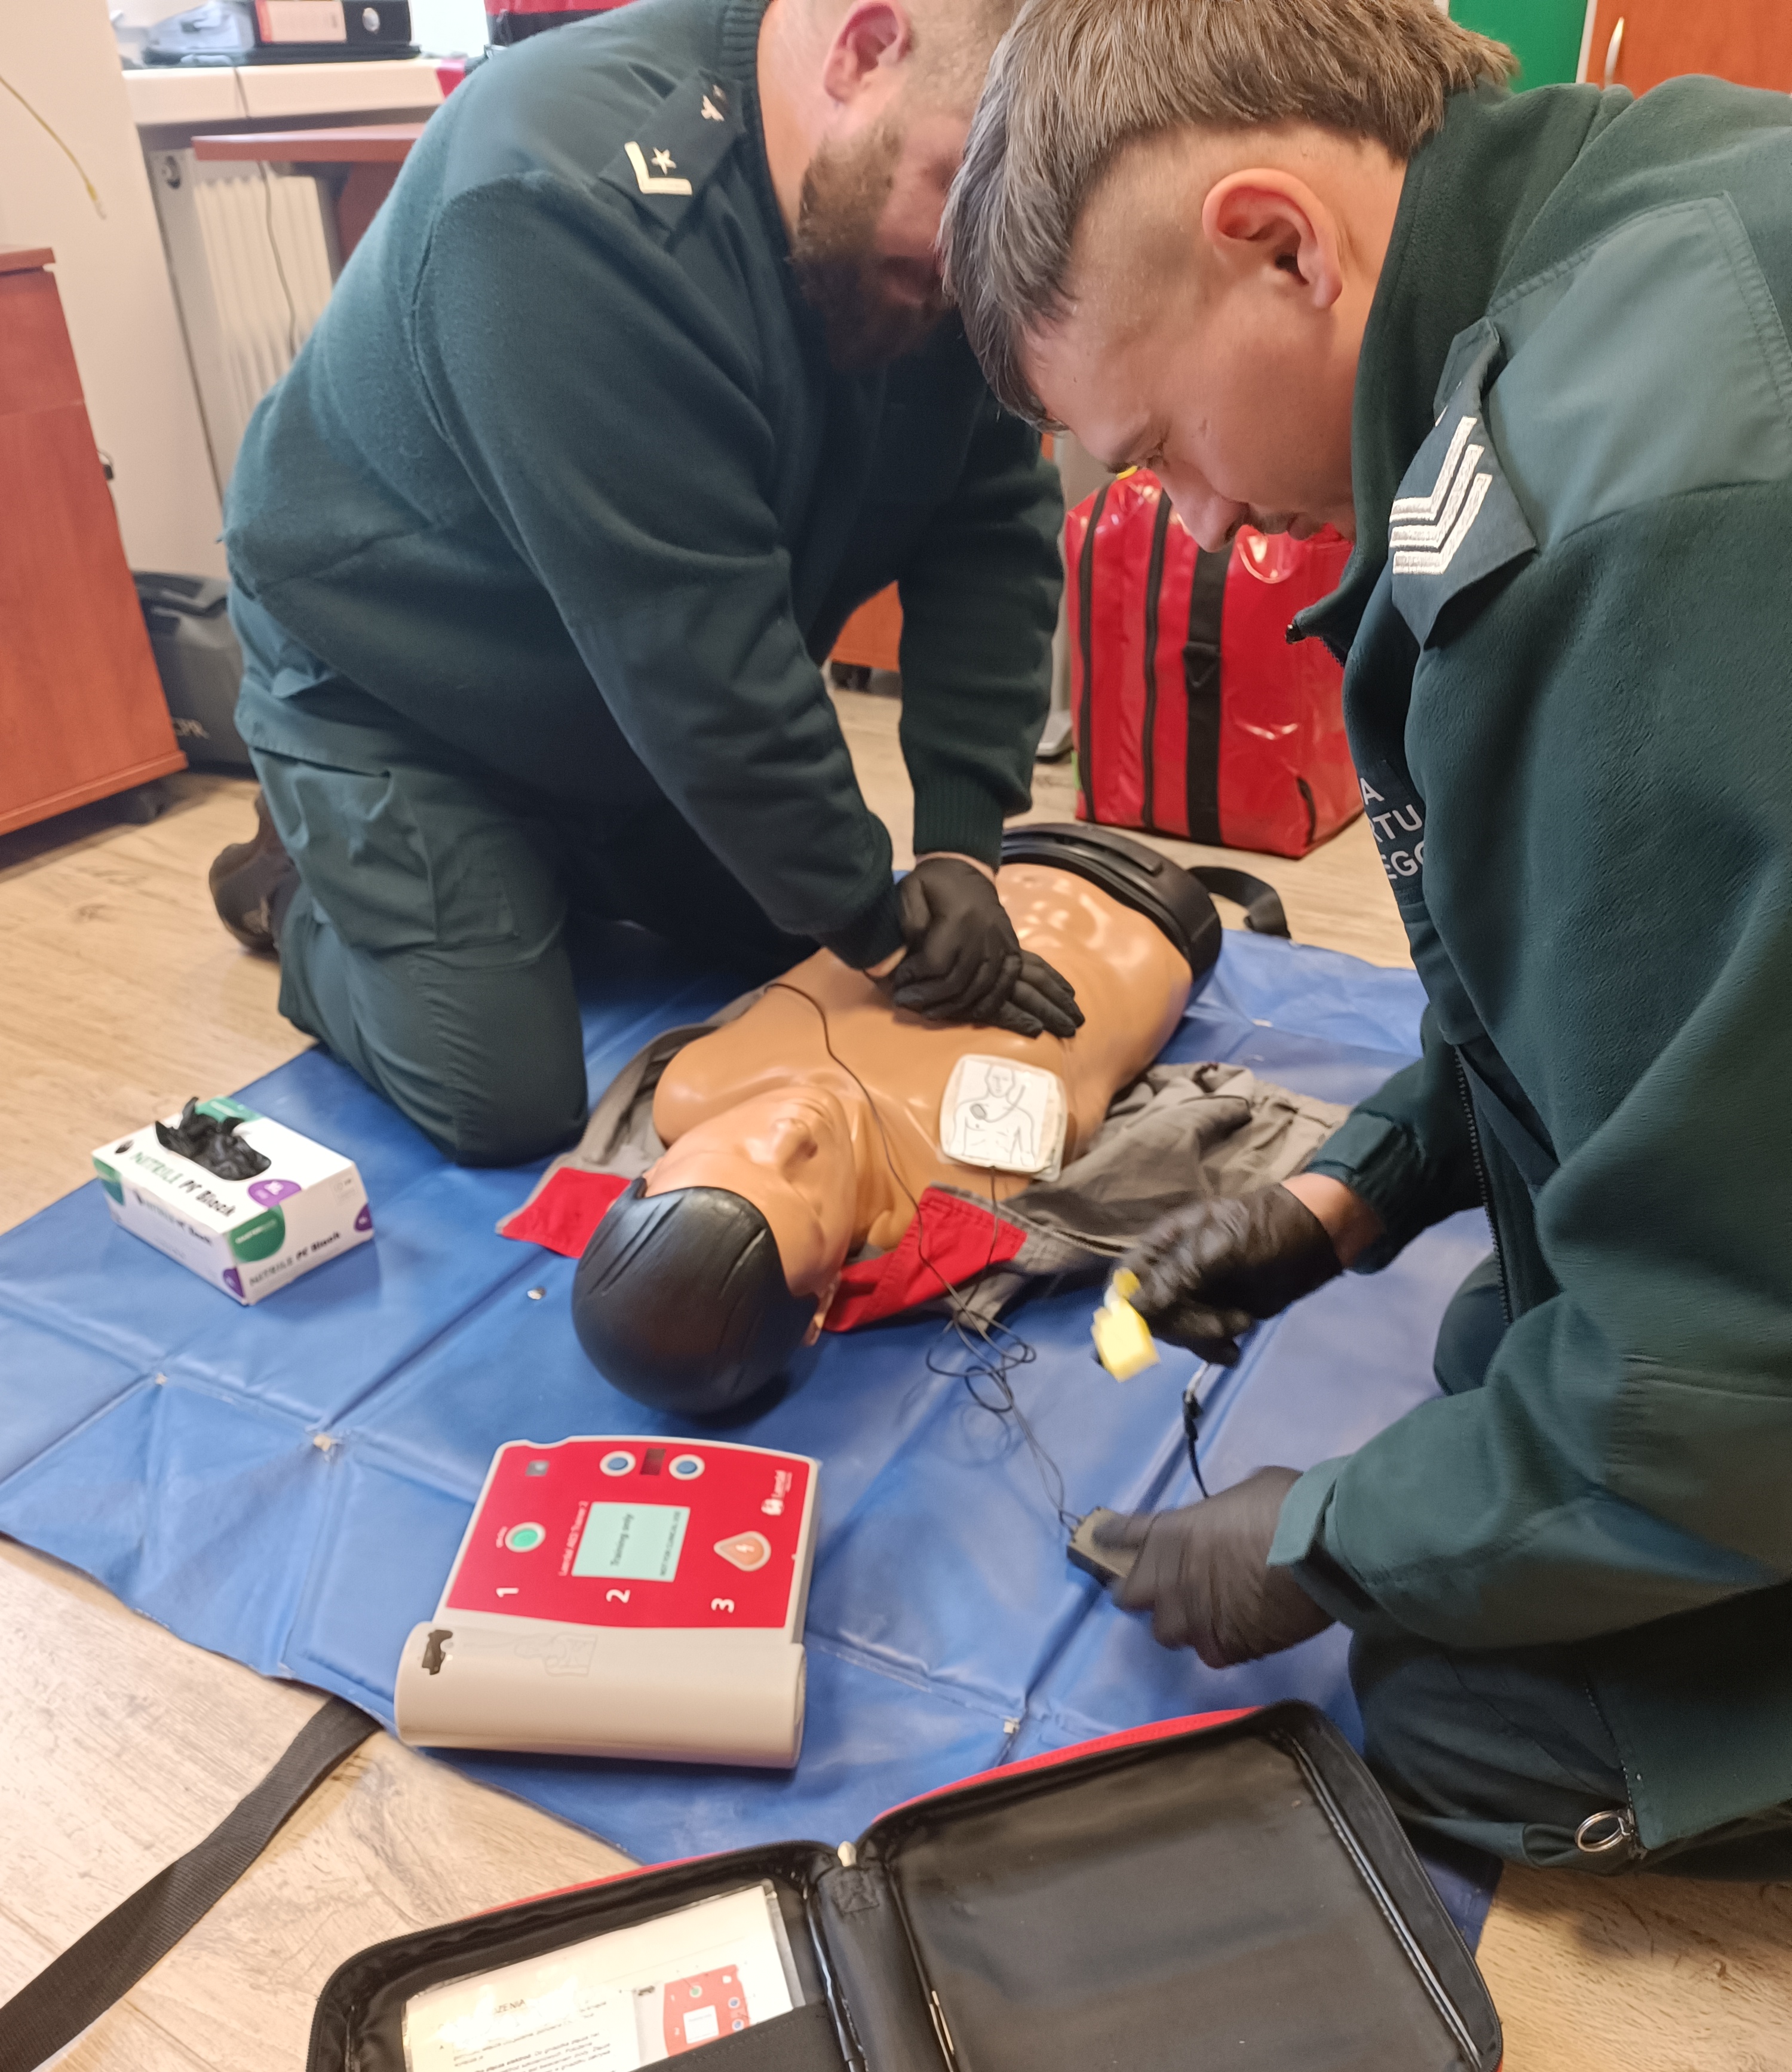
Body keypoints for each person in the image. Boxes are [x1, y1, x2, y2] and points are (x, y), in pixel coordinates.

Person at [941, 0, 1792, 1875]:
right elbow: (1619, 997)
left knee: (1455, 1704)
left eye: (1159, 448)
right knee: (1495, 1371)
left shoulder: (1634, 532)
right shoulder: (1642, 215)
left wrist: (1322, 1539)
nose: (1190, 523)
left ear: (1280, 244)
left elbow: (1730, 1364)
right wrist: (1354, 1194)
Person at [211, 0, 1073, 1168]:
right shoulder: (558, 204)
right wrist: (877, 924)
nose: (975, 274)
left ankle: (544, 861)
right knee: (499, 1093)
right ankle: (296, 879)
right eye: (957, 199)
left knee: (790, 948)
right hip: (395, 682)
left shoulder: (947, 220)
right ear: (865, 51)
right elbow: (703, 666)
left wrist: (964, 844)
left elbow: (990, 527)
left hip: (615, 692)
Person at [568, 825, 1340, 1408]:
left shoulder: (692, 1088)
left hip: (995, 852)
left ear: (653, 1173)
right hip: (1161, 908)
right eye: (800, 1183)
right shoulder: (971, 1167)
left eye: (731, 1152)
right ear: (823, 1303)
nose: (788, 1131)